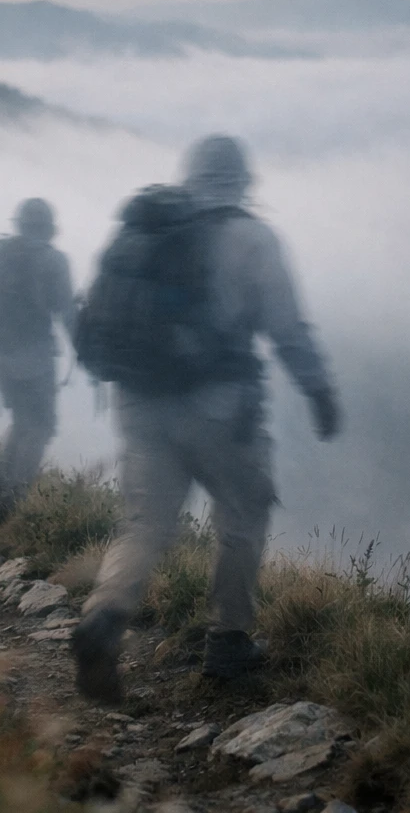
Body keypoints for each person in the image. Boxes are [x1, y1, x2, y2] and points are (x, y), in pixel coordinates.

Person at [72, 135, 341, 703]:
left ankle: (104, 615)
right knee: (243, 510)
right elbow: (287, 330)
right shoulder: (253, 237)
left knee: (145, 525)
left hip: (139, 400)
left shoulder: (145, 227)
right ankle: (229, 642)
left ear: (189, 173)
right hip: (219, 406)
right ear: (242, 180)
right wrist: (319, 391)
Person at [0, 198, 77, 509]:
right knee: (40, 425)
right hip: (33, 354)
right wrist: (86, 348)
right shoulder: (53, 260)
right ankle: (13, 498)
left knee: (23, 419)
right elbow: (65, 311)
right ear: (49, 228)